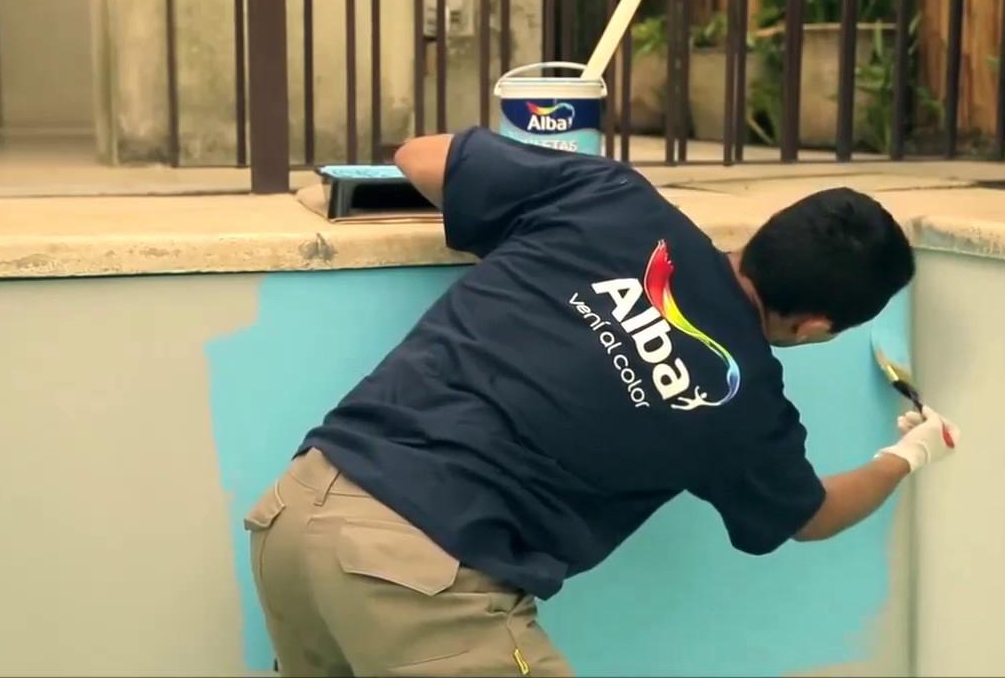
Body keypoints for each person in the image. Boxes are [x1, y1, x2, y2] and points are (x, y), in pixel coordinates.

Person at [243, 128, 961, 677]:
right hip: (419, 577)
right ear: (815, 327)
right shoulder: (744, 403)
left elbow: (418, 156)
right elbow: (811, 516)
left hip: (297, 515)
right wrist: (908, 455)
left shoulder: (613, 200)